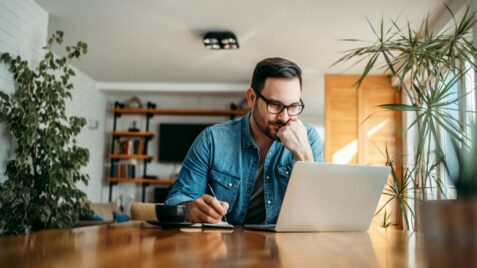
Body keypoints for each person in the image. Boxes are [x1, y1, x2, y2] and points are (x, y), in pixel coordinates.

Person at [165, 57, 323, 225]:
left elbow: (319, 211)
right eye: (275, 105)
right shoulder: (212, 140)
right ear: (252, 98)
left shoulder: (309, 138)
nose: (284, 117)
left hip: (284, 247)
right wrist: (190, 208)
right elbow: (176, 199)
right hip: (224, 244)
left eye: (293, 106)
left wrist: (304, 154)